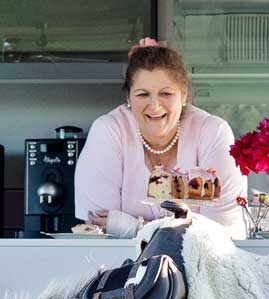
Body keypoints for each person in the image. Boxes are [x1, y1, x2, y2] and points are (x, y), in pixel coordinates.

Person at [75, 39, 246, 237]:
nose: (155, 106)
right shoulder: (109, 131)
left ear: (183, 95)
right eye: (142, 94)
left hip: (202, 266)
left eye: (166, 93)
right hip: (123, 266)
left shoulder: (213, 133)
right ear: (128, 98)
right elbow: (98, 229)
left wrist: (133, 227)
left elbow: (223, 232)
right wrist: (184, 225)